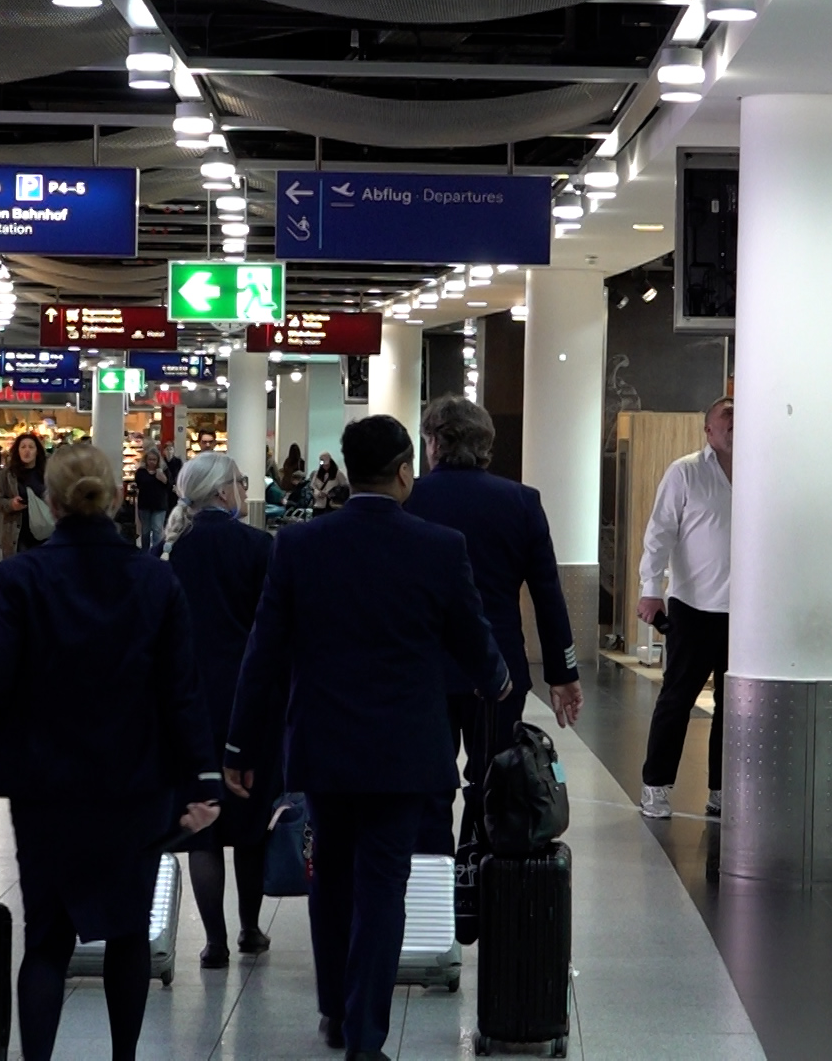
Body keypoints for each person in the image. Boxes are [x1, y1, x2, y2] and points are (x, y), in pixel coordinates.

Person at [223, 416, 509, 1061]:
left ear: (349, 470)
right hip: (404, 753)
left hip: (324, 749)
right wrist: (496, 680)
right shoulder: (440, 546)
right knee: (383, 888)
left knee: (330, 879)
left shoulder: (299, 546)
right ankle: (365, 1035)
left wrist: (239, 747)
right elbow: (473, 637)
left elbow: (262, 654)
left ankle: (332, 1009)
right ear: (407, 468)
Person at [0, 441, 222, 1061]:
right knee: (127, 932)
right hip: (136, 784)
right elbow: (182, 691)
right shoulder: (155, 578)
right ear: (116, 497)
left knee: (47, 940)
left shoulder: (22, 577)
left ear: (50, 504)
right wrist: (204, 780)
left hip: (46, 784)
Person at [405, 397, 583, 854]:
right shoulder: (521, 502)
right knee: (493, 780)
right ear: (486, 446)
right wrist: (563, 674)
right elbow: (547, 593)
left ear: (432, 444)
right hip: (499, 669)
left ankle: (435, 883)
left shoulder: (410, 500)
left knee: (427, 781)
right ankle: (482, 881)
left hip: (424, 668)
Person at [164, 453, 276, 969]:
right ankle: (251, 928)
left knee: (203, 826)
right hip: (247, 695)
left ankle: (214, 942)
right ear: (222, 492)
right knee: (250, 822)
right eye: (240, 483)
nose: (243, 490)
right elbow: (273, 629)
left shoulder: (171, 550)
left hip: (188, 699)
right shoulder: (258, 546)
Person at [637, 396, 734, 820]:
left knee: (734, 707)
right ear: (709, 430)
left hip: (746, 614)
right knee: (677, 700)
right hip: (693, 606)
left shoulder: (762, 472)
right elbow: (660, 531)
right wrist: (650, 587)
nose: (735, 422)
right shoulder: (687, 472)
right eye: (726, 416)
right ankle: (656, 786)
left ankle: (721, 790)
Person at [0, 431, 49, 556]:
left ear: (37, 451)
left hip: (45, 533)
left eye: (31, 447)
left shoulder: (47, 474)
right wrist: (11, 504)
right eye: (23, 447)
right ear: (17, 450)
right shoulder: (6, 476)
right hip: (17, 534)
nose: (27, 451)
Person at [134, 443, 175, 551]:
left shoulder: (164, 471)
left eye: (154, 460)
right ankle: (145, 551)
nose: (152, 462)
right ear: (146, 460)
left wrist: (163, 479)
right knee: (145, 530)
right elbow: (138, 484)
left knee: (157, 529)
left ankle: (156, 551)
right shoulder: (141, 472)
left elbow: (170, 486)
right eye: (150, 459)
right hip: (145, 504)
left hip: (159, 504)